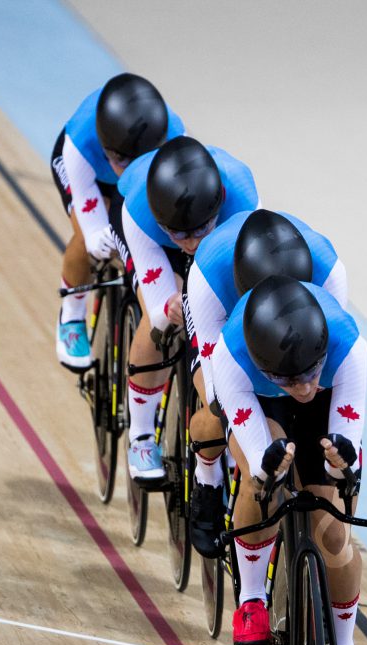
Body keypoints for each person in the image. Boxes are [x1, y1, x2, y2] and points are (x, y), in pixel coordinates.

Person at [206, 276, 367, 645]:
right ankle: (253, 599)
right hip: (263, 404)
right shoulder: (231, 356)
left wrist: (342, 466)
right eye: (290, 379)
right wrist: (267, 470)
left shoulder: (349, 349)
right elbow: (259, 459)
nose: (302, 387)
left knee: (334, 530)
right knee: (263, 485)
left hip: (330, 402)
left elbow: (345, 463)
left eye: (310, 373)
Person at [181, 209, 349, 555]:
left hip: (292, 346)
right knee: (219, 412)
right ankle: (207, 476)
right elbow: (221, 390)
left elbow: (326, 353)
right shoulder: (209, 277)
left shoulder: (328, 272)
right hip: (230, 331)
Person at [115, 136, 257, 483]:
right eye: (182, 235)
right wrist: (171, 303)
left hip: (222, 239)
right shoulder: (141, 213)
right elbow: (164, 300)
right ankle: (142, 435)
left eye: (199, 230)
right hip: (151, 241)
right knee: (161, 320)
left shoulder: (242, 197)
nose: (192, 242)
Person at [50, 73, 184, 370]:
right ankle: (72, 315)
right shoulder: (81, 139)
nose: (128, 169)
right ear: (106, 146)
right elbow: (91, 216)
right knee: (88, 239)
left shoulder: (173, 134)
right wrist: (99, 232)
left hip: (139, 182)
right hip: (89, 176)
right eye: (122, 160)